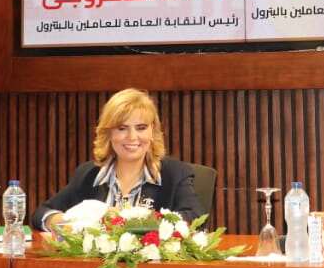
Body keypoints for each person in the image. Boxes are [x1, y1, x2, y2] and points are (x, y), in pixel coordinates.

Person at [33, 88, 203, 233]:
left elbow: (195, 218)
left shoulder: (174, 173)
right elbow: (41, 213)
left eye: (141, 128)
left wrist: (131, 221)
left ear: (152, 131)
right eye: (122, 128)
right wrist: (64, 222)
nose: (132, 137)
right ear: (109, 133)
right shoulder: (89, 174)